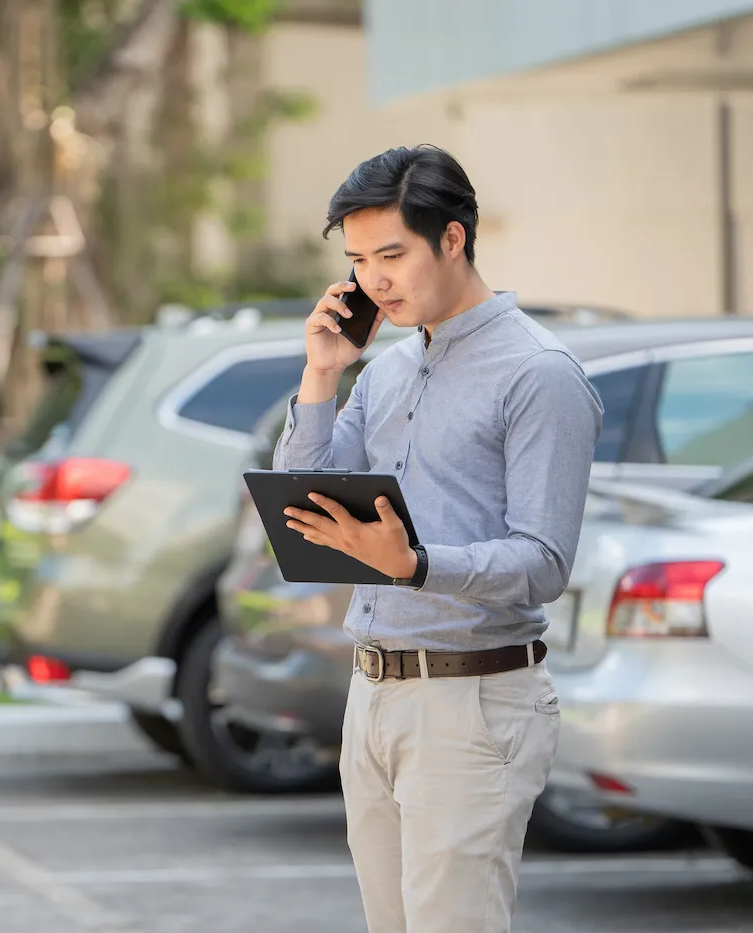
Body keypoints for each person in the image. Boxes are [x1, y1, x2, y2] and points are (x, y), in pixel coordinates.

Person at [273, 144, 603, 933]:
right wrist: (322, 373)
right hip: (374, 693)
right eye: (358, 261)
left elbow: (545, 561)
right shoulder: (382, 371)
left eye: (392, 254)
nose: (374, 280)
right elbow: (301, 497)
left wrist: (416, 566)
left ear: (452, 238)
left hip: (474, 702)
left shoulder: (539, 374)